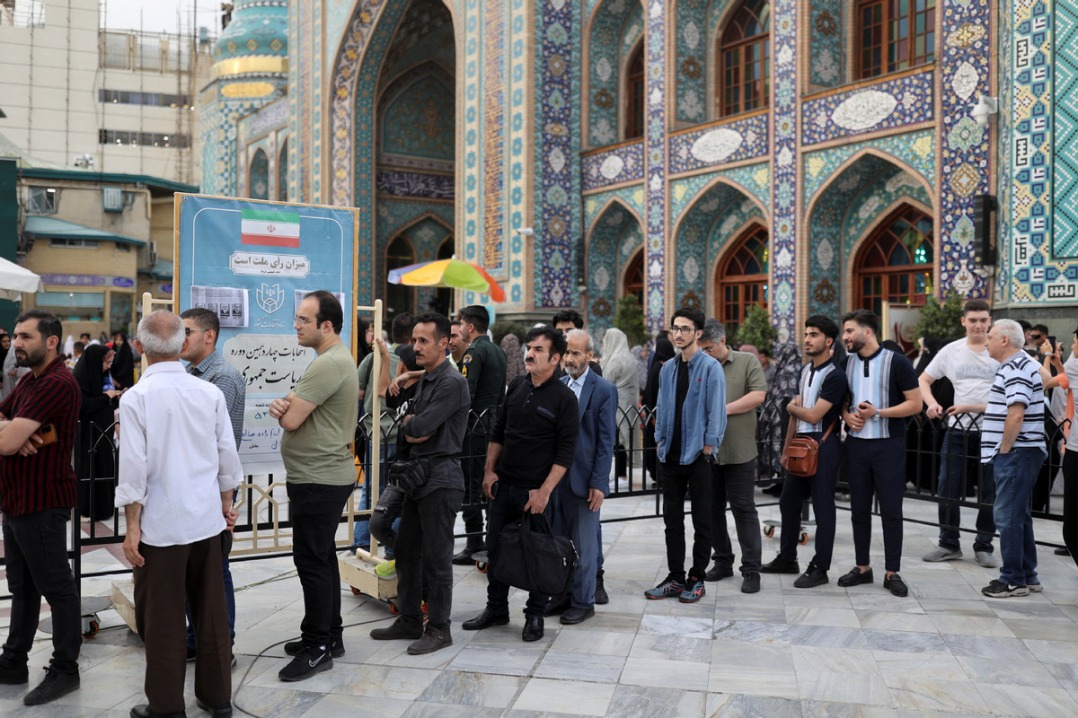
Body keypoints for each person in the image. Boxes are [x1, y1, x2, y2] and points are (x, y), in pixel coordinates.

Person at [114, 311, 242, 718]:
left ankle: (166, 707)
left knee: (162, 619)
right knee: (212, 614)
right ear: (182, 344)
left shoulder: (137, 398)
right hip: (205, 520)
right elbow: (227, 457)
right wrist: (226, 506)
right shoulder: (208, 393)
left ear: (140, 347)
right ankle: (218, 698)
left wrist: (132, 528)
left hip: (160, 527)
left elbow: (133, 470)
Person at [462, 326, 578, 642]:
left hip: (535, 493)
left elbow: (565, 452)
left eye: (538, 349)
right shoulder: (516, 385)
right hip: (504, 487)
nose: (530, 353)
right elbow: (499, 431)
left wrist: (544, 492)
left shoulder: (565, 399)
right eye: (529, 347)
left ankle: (535, 615)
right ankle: (496, 608)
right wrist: (489, 471)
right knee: (496, 549)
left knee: (538, 554)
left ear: (555, 358)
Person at [269, 291, 359, 681]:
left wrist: (284, 410)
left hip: (318, 478)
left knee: (311, 561)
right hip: (319, 476)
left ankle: (317, 646)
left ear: (326, 325)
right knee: (321, 558)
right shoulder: (330, 360)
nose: (296, 325)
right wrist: (284, 406)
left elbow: (290, 418)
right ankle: (330, 635)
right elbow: (290, 406)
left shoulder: (328, 363)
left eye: (304, 320)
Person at [369, 313, 470, 654]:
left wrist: (413, 424)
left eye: (424, 340)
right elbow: (408, 425)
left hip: (441, 479)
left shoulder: (451, 382)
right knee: (407, 551)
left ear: (444, 343)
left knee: (437, 558)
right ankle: (410, 618)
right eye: (414, 340)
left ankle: (440, 628)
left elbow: (421, 426)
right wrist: (413, 425)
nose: (416, 346)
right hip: (416, 476)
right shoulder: (426, 379)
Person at [0, 310, 82, 707]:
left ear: (51, 341)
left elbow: (6, 444)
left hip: (42, 502)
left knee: (57, 588)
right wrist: (13, 429)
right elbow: (6, 428)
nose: (17, 343)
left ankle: (65, 669)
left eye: (25, 337)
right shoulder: (30, 381)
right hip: (16, 499)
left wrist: (14, 435)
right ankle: (13, 660)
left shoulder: (57, 382)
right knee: (22, 587)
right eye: (16, 336)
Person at [838, 310, 922, 598]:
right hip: (856, 446)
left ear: (867, 332)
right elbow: (841, 401)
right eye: (844, 332)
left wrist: (878, 413)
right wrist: (847, 416)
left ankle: (892, 572)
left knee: (891, 511)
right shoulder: (846, 363)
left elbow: (915, 404)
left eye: (850, 331)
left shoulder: (897, 361)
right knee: (859, 510)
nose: (845, 337)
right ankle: (862, 567)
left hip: (889, 445)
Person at [180, 307, 247, 665]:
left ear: (209, 336)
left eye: (186, 331)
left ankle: (222, 645)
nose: (180, 339)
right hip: (192, 487)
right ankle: (195, 637)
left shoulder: (222, 377)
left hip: (212, 487)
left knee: (214, 570)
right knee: (191, 568)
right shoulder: (190, 374)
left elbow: (207, 439)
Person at [645, 308, 726, 604]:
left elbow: (716, 409)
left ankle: (697, 578)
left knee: (702, 520)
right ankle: (676, 577)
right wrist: (660, 438)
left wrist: (709, 445)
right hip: (670, 455)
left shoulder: (710, 367)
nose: (678, 334)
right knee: (672, 521)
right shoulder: (667, 368)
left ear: (698, 333)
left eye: (685, 329)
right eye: (675, 328)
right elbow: (662, 406)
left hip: (698, 456)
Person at [761, 316, 848, 588]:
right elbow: (796, 418)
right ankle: (788, 558)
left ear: (829, 341)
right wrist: (787, 449)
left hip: (824, 444)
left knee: (823, 508)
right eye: (807, 333)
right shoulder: (805, 370)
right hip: (801, 444)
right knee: (788, 501)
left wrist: (791, 407)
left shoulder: (835, 376)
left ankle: (820, 567)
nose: (807, 339)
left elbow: (812, 415)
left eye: (814, 335)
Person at [919, 299, 1000, 567]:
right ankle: (948, 543)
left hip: (992, 430)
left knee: (990, 490)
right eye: (973, 320)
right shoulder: (951, 351)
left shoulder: (999, 349)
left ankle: (984, 545)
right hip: (957, 430)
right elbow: (924, 379)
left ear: (990, 321)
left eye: (983, 320)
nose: (978, 325)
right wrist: (931, 403)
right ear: (963, 321)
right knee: (947, 487)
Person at [549, 329, 616, 625]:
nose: (569, 359)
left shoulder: (603, 389)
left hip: (585, 482)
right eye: (567, 352)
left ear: (590, 355)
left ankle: (583, 601)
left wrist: (599, 483)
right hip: (556, 481)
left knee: (585, 547)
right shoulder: (559, 385)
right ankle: (562, 595)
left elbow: (605, 441)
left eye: (576, 353)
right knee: (559, 543)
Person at [697, 320, 766, 592]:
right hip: (708, 452)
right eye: (702, 348)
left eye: (709, 348)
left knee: (743, 509)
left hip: (739, 451)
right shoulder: (700, 366)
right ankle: (723, 560)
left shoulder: (747, 361)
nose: (705, 353)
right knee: (712, 509)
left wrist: (722, 410)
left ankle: (751, 569)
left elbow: (758, 395)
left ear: (723, 341)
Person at [980, 319, 1047, 597]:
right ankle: (1027, 575)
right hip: (1021, 451)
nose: (986, 341)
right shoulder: (1019, 365)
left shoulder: (1016, 367)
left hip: (1017, 451)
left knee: (1007, 515)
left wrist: (1005, 448)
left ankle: (1012, 580)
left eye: (990, 336)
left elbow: (1016, 413)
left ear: (1004, 340)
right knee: (1018, 515)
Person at [451, 305, 507, 564]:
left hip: (474, 428)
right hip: (494, 424)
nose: (461, 328)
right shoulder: (499, 351)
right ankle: (493, 538)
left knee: (472, 486)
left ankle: (474, 542)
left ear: (470, 326)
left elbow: (466, 392)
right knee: (491, 481)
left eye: (462, 324)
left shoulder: (473, 352)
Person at [72, 344, 121, 521]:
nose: (108, 367)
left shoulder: (102, 377)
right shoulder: (80, 378)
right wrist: (105, 397)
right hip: (88, 434)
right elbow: (82, 406)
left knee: (104, 467)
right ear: (94, 362)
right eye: (106, 362)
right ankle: (88, 507)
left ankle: (104, 507)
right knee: (90, 468)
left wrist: (114, 397)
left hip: (103, 433)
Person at [757, 342, 803, 495]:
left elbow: (784, 394)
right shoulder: (797, 369)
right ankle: (780, 483)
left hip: (783, 417)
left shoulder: (789, 371)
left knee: (782, 448)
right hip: (784, 416)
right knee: (779, 449)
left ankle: (784, 485)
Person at [600, 328, 639, 486]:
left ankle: (621, 476)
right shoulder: (629, 358)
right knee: (624, 437)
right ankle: (621, 474)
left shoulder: (616, 361)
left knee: (619, 440)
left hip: (618, 405)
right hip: (628, 404)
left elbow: (605, 380)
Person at [642, 335, 674, 484]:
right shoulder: (661, 368)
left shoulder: (659, 366)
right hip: (657, 417)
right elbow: (654, 394)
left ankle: (660, 477)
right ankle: (661, 477)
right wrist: (655, 416)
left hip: (655, 416)